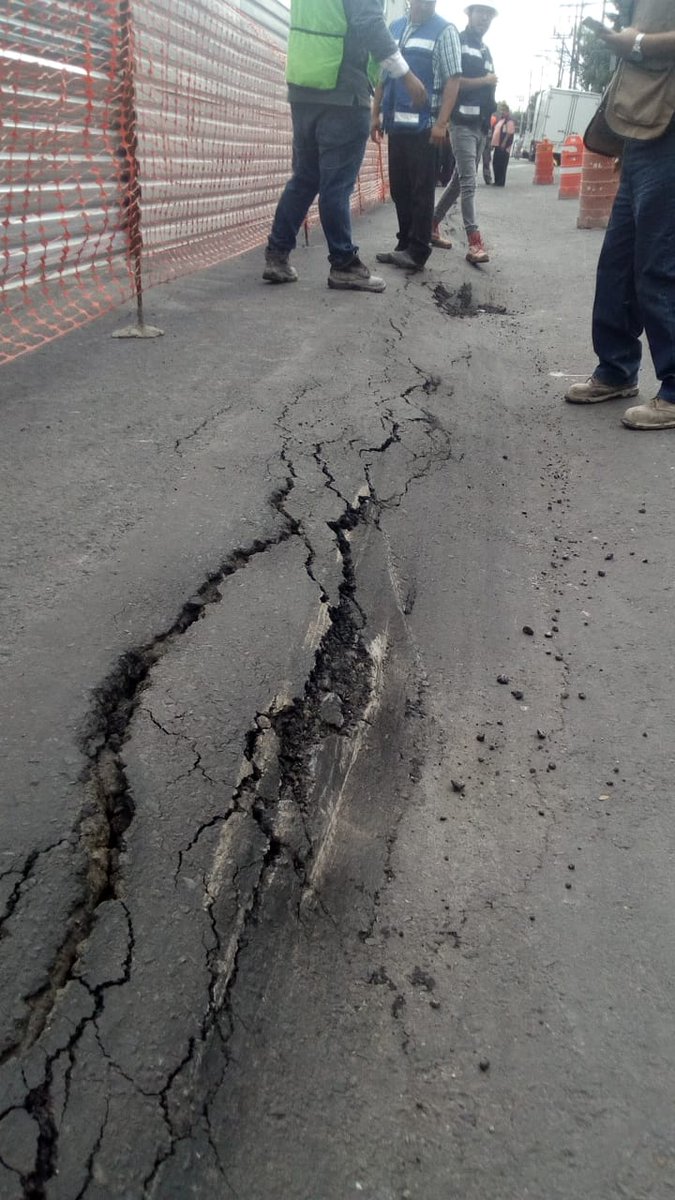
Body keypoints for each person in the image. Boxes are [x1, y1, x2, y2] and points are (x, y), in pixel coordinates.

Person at [262, 0, 427, 294]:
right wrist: (407, 74)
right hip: (342, 91)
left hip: (304, 87)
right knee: (336, 186)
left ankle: (277, 255)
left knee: (304, 178)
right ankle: (344, 264)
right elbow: (369, 24)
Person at [564, 1, 675, 430]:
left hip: (669, 130)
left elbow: (643, 41)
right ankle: (615, 368)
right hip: (644, 127)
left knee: (660, 264)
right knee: (618, 263)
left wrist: (640, 42)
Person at [370, 0, 462, 270]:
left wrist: (442, 123)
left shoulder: (444, 31)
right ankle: (404, 244)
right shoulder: (395, 28)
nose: (425, 4)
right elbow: (382, 76)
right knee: (400, 188)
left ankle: (418, 250)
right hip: (396, 125)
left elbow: (453, 79)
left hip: (425, 128)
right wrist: (375, 114)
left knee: (421, 190)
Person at [429, 4, 498, 263]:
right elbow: (454, 81)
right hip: (461, 124)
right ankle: (474, 243)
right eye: (480, 13)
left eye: (489, 15)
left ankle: (432, 223)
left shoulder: (484, 49)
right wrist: (486, 81)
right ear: (469, 15)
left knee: (459, 181)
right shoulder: (458, 41)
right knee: (469, 182)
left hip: (480, 126)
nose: (485, 19)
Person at [491, 103, 516, 186]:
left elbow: (509, 133)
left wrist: (504, 143)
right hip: (497, 145)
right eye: (501, 111)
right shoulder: (501, 120)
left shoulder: (509, 121)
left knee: (502, 164)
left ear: (507, 112)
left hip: (504, 146)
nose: (502, 112)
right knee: (495, 163)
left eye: (504, 111)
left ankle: (500, 182)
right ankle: (497, 180)